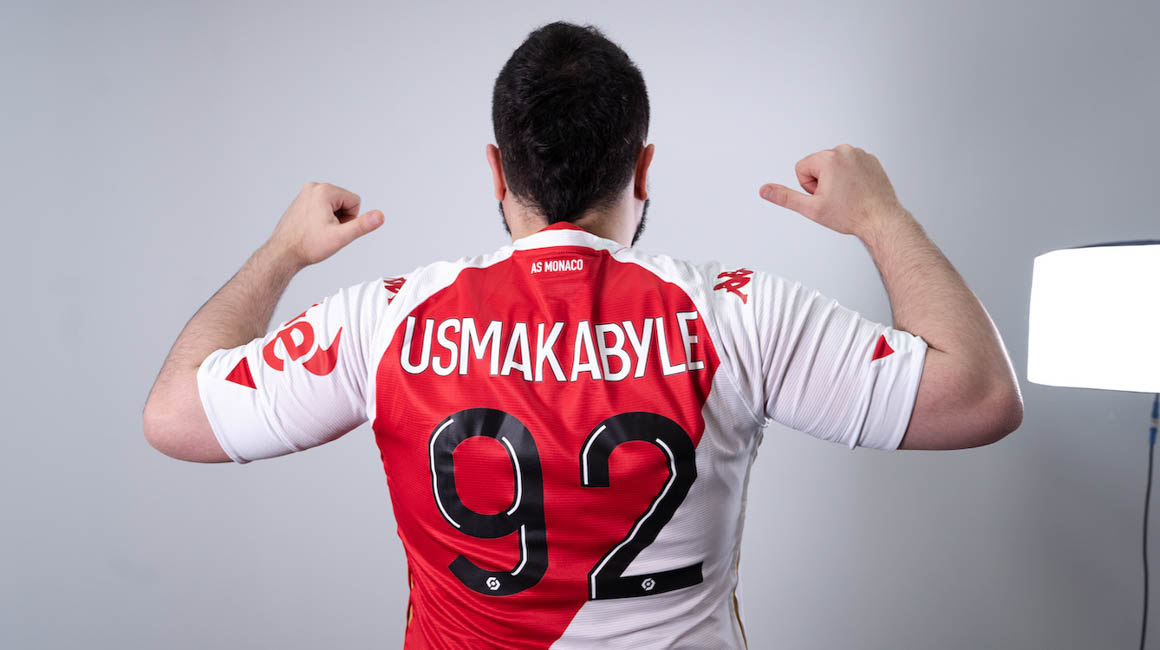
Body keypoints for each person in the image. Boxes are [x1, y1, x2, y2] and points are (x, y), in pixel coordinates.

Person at [143, 20, 1022, 649]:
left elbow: (174, 416)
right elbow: (980, 396)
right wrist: (879, 216)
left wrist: (284, 252)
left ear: (497, 170)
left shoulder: (383, 321)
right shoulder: (741, 314)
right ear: (642, 167)